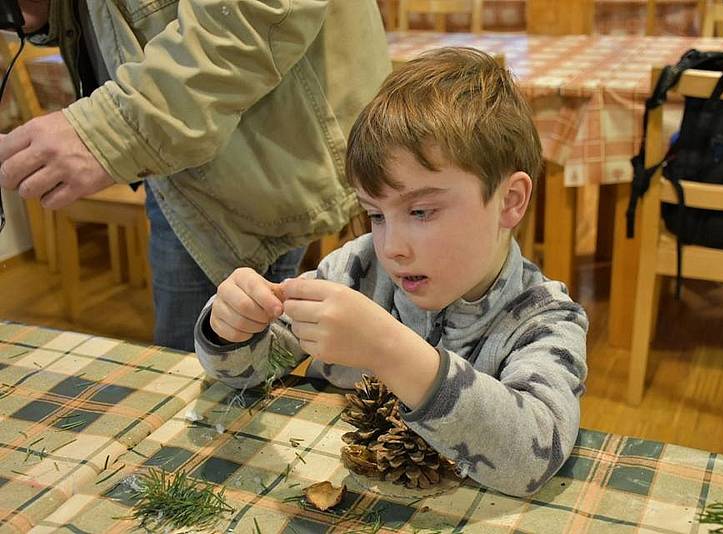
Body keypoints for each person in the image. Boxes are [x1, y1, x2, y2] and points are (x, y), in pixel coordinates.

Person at [194, 47, 588, 497]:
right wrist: (231, 328)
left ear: (510, 201)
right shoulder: (355, 269)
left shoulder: (546, 320)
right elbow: (251, 371)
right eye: (375, 215)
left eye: (420, 211)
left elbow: (531, 457)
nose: (392, 248)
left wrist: (389, 350)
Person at [0, 1, 390, 351]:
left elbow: (262, 9)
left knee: (231, 365)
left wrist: (115, 129)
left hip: (251, 147)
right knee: (222, 361)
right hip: (177, 153)